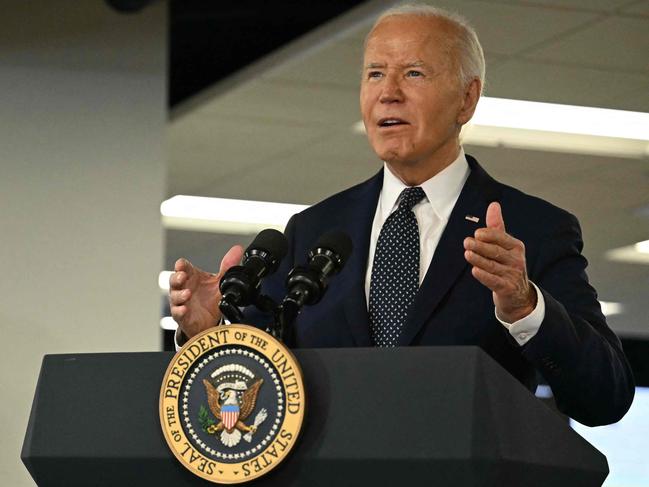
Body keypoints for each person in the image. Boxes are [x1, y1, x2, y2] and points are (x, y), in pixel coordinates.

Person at [169, 4, 634, 426]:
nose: (388, 93)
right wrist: (209, 333)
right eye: (374, 74)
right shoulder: (312, 231)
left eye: (413, 73)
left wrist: (525, 307)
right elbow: (256, 391)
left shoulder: (532, 229)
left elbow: (606, 397)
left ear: (467, 99)